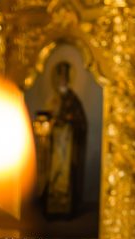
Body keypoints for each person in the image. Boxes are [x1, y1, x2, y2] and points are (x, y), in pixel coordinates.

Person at [41, 61, 87, 219]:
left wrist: (69, 120)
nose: (62, 81)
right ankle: (51, 209)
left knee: (65, 176)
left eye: (64, 78)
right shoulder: (53, 99)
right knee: (53, 175)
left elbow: (81, 121)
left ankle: (66, 209)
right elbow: (45, 120)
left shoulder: (73, 100)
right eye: (59, 78)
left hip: (67, 143)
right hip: (55, 144)